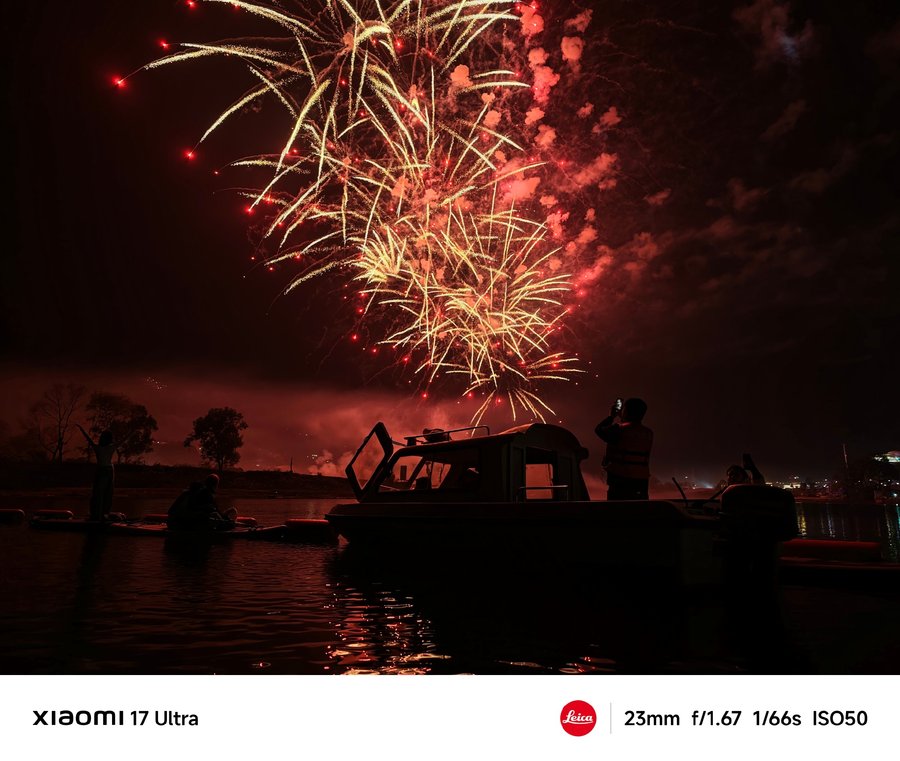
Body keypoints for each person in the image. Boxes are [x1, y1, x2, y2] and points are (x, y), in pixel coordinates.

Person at [595, 398, 654, 500]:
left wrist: (611, 417)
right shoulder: (648, 433)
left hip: (620, 482)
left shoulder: (619, 430)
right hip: (641, 483)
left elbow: (599, 430)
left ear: (626, 411)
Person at [167, 473, 237, 531]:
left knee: (212, 516)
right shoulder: (199, 495)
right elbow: (209, 512)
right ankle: (227, 525)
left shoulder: (188, 495)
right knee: (214, 517)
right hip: (177, 525)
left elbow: (202, 511)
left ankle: (226, 524)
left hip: (174, 523)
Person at [77, 424, 117, 521]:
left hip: (103, 470)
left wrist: (82, 429)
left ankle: (98, 514)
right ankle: (103, 514)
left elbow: (89, 439)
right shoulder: (110, 447)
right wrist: (132, 431)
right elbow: (124, 440)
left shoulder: (98, 448)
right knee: (107, 493)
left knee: (99, 493)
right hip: (108, 470)